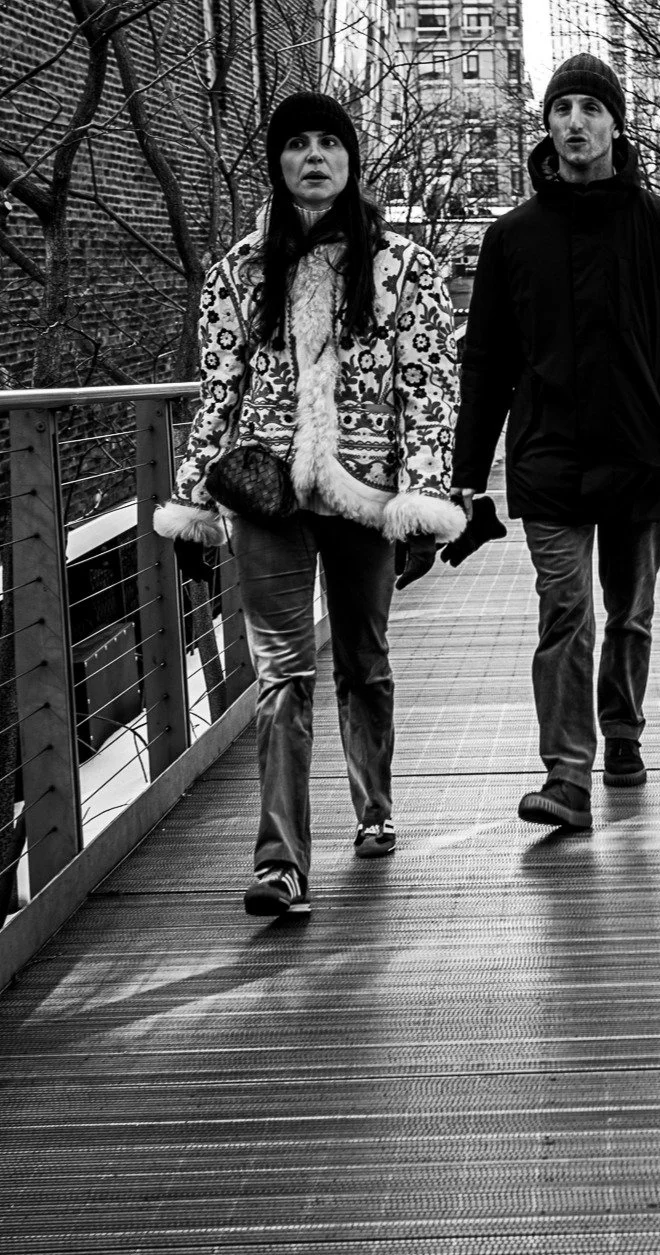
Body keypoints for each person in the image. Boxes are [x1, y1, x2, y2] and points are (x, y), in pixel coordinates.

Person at [154, 91, 466, 915]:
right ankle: (280, 863)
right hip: (265, 492)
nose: (315, 156)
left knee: (363, 659)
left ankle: (375, 806)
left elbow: (430, 389)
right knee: (281, 673)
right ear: (278, 161)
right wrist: (194, 502)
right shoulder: (239, 270)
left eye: (331, 142)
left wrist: (424, 495)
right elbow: (217, 394)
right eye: (298, 145)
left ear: (352, 158)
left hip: (365, 492)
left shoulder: (405, 269)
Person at [452, 53, 660, 831]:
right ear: (546, 126)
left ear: (615, 124)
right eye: (562, 108)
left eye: (590, 109)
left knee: (630, 612)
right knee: (563, 611)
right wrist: (467, 473)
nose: (574, 122)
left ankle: (624, 732)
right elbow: (485, 362)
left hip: (642, 454)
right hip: (547, 459)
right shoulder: (512, 237)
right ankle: (566, 773)